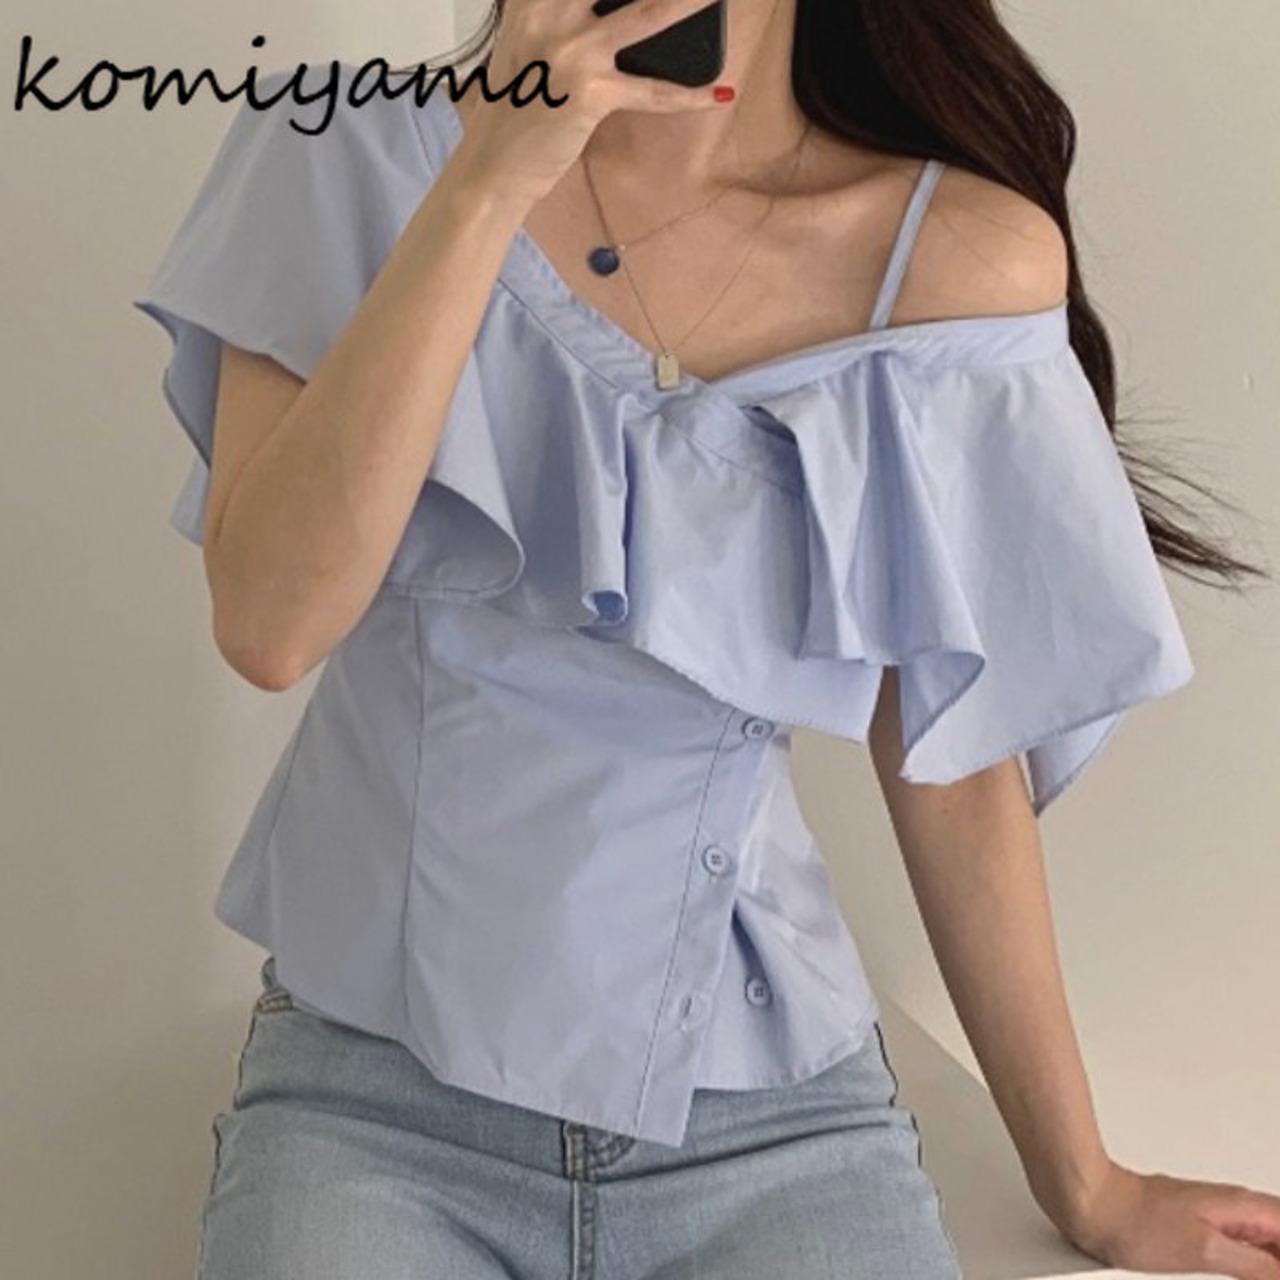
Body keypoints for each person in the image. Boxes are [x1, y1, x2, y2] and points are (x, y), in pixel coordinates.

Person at [133, 1, 1280, 1277]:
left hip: (770, 1128)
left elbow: (951, 761)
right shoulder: (333, 150)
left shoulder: (945, 257)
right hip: (373, 1101)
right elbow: (272, 621)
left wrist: (1086, 1181)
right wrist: (486, 181)